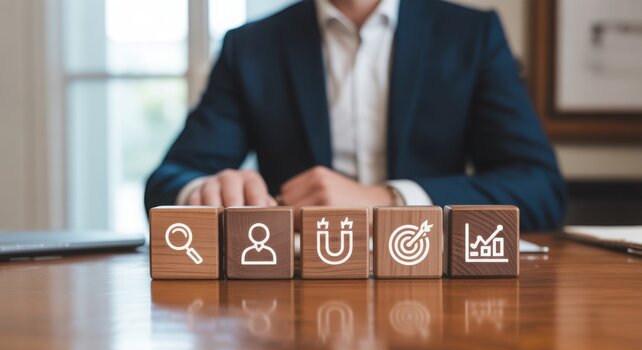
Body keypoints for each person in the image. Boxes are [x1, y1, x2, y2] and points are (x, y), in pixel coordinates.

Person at [145, 0, 567, 231]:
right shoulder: (251, 46)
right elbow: (169, 180)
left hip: (437, 284)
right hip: (290, 294)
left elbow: (539, 189)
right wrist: (208, 190)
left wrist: (388, 201)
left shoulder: (472, 36)